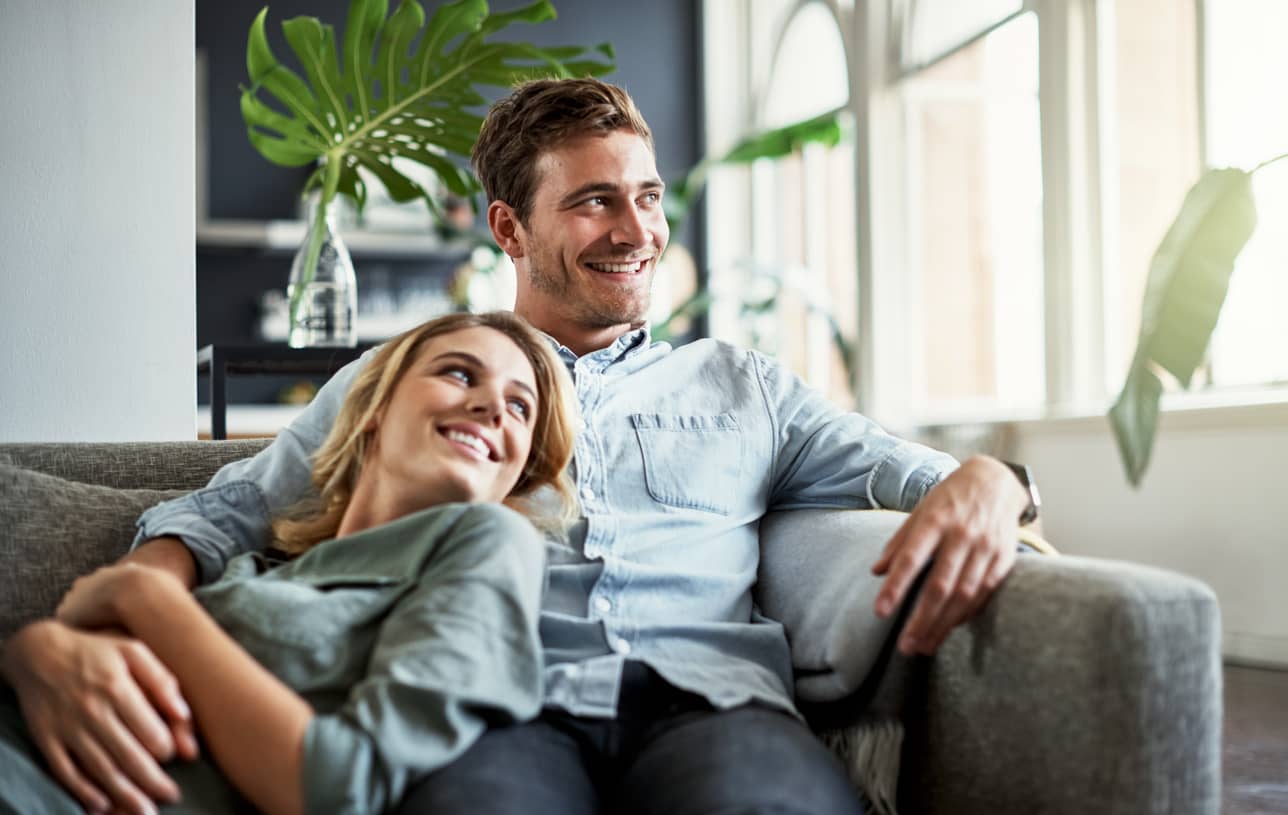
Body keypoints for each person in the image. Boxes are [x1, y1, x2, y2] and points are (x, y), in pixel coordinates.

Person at [3, 78, 1038, 815]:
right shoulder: (417, 375)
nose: (633, 228)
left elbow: (929, 474)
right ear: (509, 225)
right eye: (592, 200)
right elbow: (220, 509)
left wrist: (993, 479)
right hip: (489, 707)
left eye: (644, 196)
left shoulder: (745, 386)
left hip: (712, 704)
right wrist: (96, 628)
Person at [0, 311, 578, 815]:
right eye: (458, 373)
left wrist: (146, 599)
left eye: (520, 407)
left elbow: (339, 786)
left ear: (517, 468)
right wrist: (29, 653)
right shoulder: (257, 562)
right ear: (374, 410)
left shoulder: (492, 543)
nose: (491, 406)